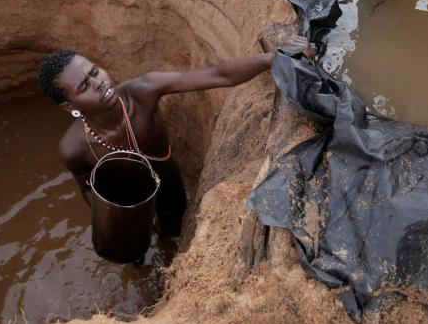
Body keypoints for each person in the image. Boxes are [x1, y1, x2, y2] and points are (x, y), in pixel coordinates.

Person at [37, 35, 316, 237]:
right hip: (126, 204)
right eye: (85, 85)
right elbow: (86, 188)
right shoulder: (73, 148)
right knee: (129, 251)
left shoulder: (143, 91)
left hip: (169, 186)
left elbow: (218, 75)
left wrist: (271, 58)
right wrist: (113, 220)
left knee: (172, 230)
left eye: (95, 71)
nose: (100, 84)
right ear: (70, 106)